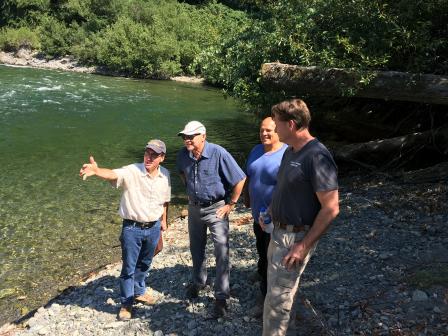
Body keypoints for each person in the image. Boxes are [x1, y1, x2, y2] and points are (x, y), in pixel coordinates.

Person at [262, 99, 339, 336]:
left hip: (294, 239)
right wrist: (270, 212)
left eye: (277, 123)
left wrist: (303, 246)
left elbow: (331, 208)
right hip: (278, 232)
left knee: (277, 302)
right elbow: (286, 188)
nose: (274, 128)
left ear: (292, 125)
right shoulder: (290, 151)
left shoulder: (317, 156)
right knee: (282, 295)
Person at [79, 139, 171, 321]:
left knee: (145, 263)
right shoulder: (132, 171)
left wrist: (164, 221)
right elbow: (113, 174)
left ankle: (139, 291)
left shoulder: (165, 175)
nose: (149, 157)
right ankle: (126, 303)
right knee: (129, 267)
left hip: (153, 227)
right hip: (132, 228)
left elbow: (165, 200)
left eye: (154, 155)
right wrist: (97, 171)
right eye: (147, 153)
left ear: (162, 158)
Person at [176, 121, 246, 318]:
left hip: (217, 209)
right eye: (184, 136)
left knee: (221, 250)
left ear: (203, 136)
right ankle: (199, 282)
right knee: (195, 248)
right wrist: (191, 192)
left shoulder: (218, 153)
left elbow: (240, 179)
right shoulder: (183, 155)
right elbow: (182, 173)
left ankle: (221, 297)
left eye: (191, 136)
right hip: (194, 208)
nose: (187, 140)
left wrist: (231, 204)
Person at [244, 117, 287, 315]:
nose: (264, 134)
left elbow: (291, 188)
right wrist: (246, 197)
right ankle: (261, 272)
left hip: (277, 219)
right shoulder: (256, 150)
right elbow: (249, 176)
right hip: (257, 216)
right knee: (261, 249)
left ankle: (265, 299)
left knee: (274, 258)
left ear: (279, 131)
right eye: (261, 130)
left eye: (269, 130)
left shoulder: (287, 154)